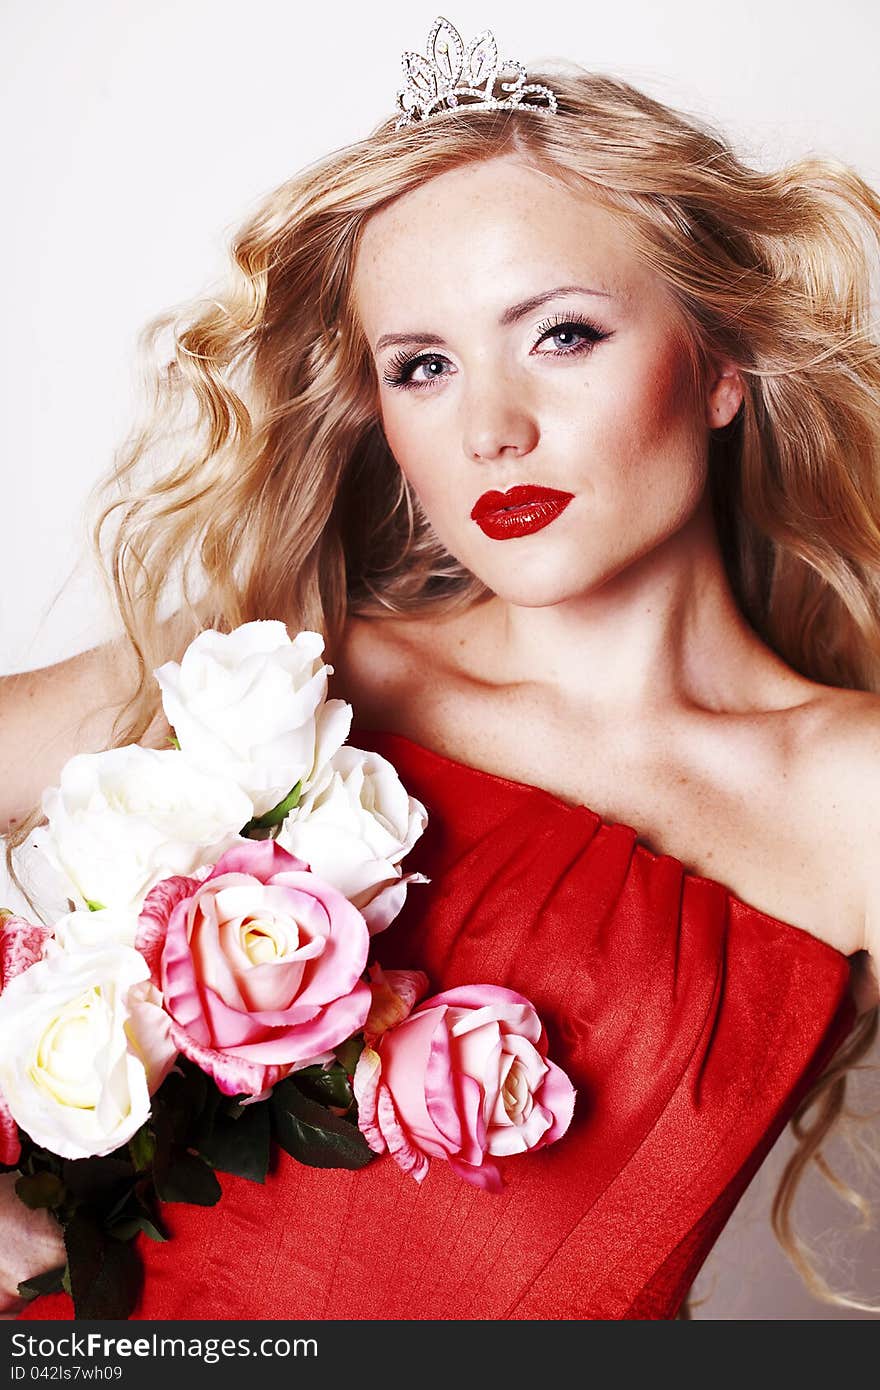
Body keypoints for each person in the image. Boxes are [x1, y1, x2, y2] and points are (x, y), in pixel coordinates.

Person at [2, 14, 879, 1320]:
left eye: (564, 334)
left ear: (719, 367)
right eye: (424, 366)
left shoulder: (849, 788)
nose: (492, 427)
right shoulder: (287, 681)